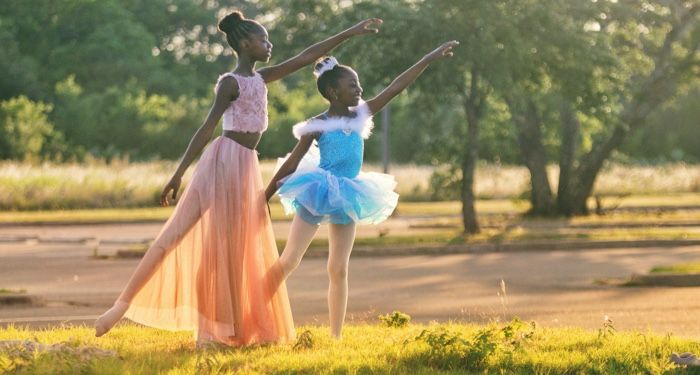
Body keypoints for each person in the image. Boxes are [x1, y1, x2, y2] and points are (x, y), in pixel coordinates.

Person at [94, 10, 383, 347]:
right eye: (263, 39)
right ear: (246, 44)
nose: (269, 44)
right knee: (183, 234)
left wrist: (351, 32)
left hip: (246, 165)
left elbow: (308, 56)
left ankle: (227, 327)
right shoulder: (229, 83)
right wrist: (178, 173)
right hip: (222, 160)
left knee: (235, 249)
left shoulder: (262, 79)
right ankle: (121, 308)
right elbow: (206, 128)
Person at [265, 40, 459, 339]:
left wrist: (429, 57)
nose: (359, 89)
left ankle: (336, 336)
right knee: (290, 259)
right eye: (352, 85)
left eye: (358, 84)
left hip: (349, 194)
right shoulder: (317, 125)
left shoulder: (360, 115)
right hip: (318, 191)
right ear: (333, 92)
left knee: (338, 268)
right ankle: (253, 308)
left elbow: (396, 87)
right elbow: (292, 162)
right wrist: (263, 196)